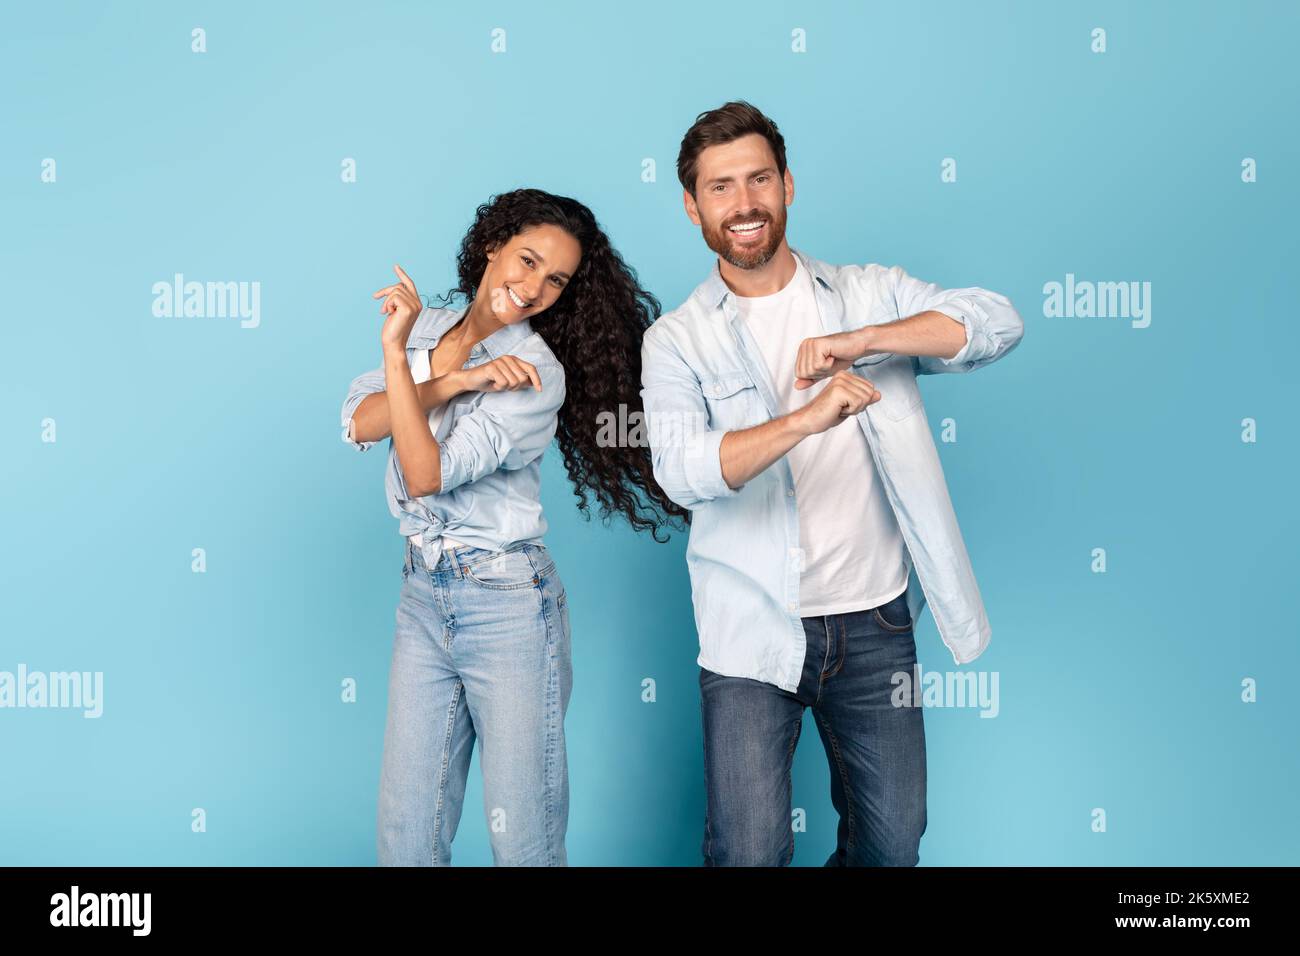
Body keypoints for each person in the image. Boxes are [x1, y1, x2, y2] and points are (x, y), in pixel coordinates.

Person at [640, 101, 1025, 866]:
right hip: (750, 630)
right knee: (749, 853)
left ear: (787, 185)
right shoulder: (676, 338)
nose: (743, 203)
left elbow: (996, 322)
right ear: (692, 206)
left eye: (758, 180)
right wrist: (805, 420)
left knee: (893, 845)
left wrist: (866, 341)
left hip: (875, 624)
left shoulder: (866, 293)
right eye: (720, 187)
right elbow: (682, 471)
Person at [341, 188, 683, 866]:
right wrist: (447, 379)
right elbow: (359, 421)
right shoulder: (429, 326)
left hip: (507, 607)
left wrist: (413, 373)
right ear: (492, 246)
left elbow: (424, 473)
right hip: (423, 596)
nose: (532, 287)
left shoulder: (535, 376)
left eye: (554, 279)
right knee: (406, 834)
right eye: (526, 260)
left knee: (523, 839)